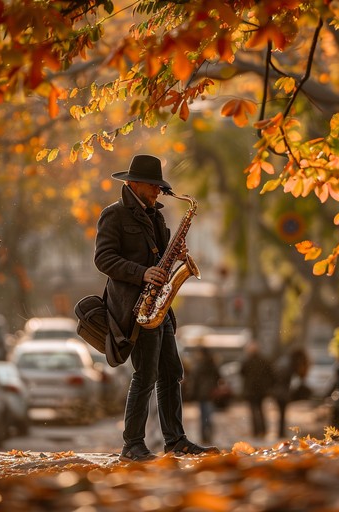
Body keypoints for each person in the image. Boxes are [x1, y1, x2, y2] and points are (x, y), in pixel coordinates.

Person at [94, 154, 219, 462]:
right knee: (145, 374)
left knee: (171, 372)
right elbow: (103, 259)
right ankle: (132, 445)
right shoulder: (114, 215)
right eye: (154, 187)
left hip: (158, 307)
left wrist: (175, 255)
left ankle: (175, 440)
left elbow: (161, 257)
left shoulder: (156, 216)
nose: (158, 193)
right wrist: (142, 273)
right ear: (134, 183)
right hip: (134, 308)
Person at [272, 347, 310, 438]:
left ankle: (280, 432)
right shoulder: (290, 364)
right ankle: (281, 433)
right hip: (282, 391)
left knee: (281, 412)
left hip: (278, 391)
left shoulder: (284, 361)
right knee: (282, 412)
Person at [240, 341, 274, 439]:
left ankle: (256, 431)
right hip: (261, 390)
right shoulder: (264, 360)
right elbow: (271, 374)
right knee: (261, 410)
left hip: (251, 390)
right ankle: (263, 430)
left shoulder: (247, 361)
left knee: (254, 411)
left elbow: (242, 372)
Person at [191, 346, 221, 444]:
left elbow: (195, 379)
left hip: (202, 393)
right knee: (208, 415)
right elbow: (218, 376)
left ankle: (204, 437)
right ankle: (209, 435)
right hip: (210, 392)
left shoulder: (199, 365)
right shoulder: (212, 364)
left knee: (204, 416)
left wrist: (192, 393)